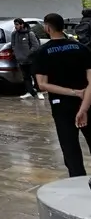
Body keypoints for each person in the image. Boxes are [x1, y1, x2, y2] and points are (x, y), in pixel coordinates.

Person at [33, 12, 91, 183]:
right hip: (87, 103)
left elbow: (42, 85)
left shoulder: (42, 52)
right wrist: (83, 106)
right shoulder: (81, 48)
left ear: (47, 28)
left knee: (70, 148)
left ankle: (77, 184)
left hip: (62, 106)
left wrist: (73, 92)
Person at [12, 18, 44, 100]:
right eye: (15, 24)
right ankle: (29, 91)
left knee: (34, 76)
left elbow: (35, 46)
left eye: (17, 24)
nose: (16, 26)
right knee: (26, 77)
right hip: (21, 60)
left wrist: (28, 53)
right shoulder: (14, 34)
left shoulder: (30, 33)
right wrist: (16, 54)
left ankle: (39, 91)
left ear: (22, 24)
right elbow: (13, 45)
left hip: (30, 60)